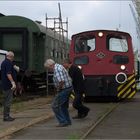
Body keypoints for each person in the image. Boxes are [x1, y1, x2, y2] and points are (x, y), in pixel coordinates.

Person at [44, 59, 73, 127]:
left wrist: (58, 89)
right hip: (68, 88)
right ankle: (67, 121)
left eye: (48, 68)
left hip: (64, 89)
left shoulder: (57, 69)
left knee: (55, 105)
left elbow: (61, 81)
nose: (49, 70)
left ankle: (63, 121)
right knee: (63, 106)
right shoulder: (59, 66)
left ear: (51, 65)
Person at [1, 51, 20, 121]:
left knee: (6, 100)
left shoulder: (4, 62)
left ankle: (6, 115)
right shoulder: (8, 63)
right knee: (8, 101)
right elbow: (8, 74)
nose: (13, 59)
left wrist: (14, 67)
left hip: (5, 84)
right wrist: (13, 82)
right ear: (11, 57)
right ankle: (6, 116)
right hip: (8, 85)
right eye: (13, 57)